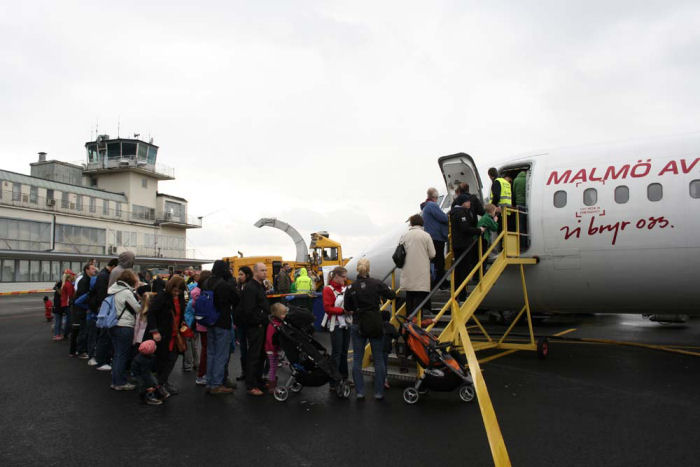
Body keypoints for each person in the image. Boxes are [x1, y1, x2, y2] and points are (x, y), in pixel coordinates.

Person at [344, 258, 395, 400]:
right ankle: (379, 392)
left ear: (358, 270)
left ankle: (360, 392)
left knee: (357, 360)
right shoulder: (377, 283)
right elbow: (392, 295)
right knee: (379, 359)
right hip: (374, 323)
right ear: (368, 269)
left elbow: (347, 308)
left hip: (358, 323)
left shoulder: (351, 288)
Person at [147, 275, 187, 398]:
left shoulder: (179, 297)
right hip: (164, 334)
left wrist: (183, 323)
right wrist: (154, 331)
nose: (177, 293)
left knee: (172, 359)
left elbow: (181, 313)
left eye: (179, 290)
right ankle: (160, 384)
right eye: (175, 290)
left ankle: (162, 382)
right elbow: (151, 313)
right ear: (171, 287)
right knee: (163, 360)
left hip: (175, 333)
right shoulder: (162, 297)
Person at [204, 260, 239, 395]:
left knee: (211, 353)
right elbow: (236, 299)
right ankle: (216, 384)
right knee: (221, 354)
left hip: (209, 321)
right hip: (222, 322)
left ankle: (209, 382)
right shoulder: (224, 285)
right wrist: (231, 280)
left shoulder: (206, 282)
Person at [107, 270, 141, 391]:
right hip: (124, 325)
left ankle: (115, 380)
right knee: (122, 355)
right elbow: (138, 309)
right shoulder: (126, 292)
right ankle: (119, 382)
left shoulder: (113, 289)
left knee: (117, 354)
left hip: (113, 324)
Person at [240, 262, 270, 396]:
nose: (265, 272)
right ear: (256, 272)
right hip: (255, 327)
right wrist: (258, 322)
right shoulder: (251, 287)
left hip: (262, 325)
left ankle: (258, 380)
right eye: (262, 270)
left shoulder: (260, 286)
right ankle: (251, 385)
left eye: (265, 270)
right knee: (254, 355)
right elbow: (248, 310)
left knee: (261, 355)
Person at [449, 194, 486, 301]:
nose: (470, 203)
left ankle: (459, 294)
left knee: (460, 270)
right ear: (463, 203)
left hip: (459, 244)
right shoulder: (460, 213)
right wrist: (479, 230)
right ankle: (461, 295)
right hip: (463, 245)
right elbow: (465, 228)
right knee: (463, 270)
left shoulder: (456, 212)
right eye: (468, 201)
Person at [400, 214, 435, 318]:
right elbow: (432, 254)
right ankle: (417, 324)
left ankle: (408, 325)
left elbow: (399, 252)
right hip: (421, 273)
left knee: (409, 298)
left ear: (411, 223)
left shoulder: (404, 236)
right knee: (419, 299)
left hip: (408, 272)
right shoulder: (426, 235)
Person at [322, 266, 350, 389]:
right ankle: (334, 381)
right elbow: (327, 308)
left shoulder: (344, 288)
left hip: (346, 323)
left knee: (344, 352)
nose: (345, 279)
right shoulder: (328, 289)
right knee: (337, 353)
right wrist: (344, 311)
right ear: (336, 276)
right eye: (343, 276)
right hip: (336, 324)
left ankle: (344, 378)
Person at [88, 258, 118, 369]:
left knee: (102, 335)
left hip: (101, 308)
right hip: (102, 309)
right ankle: (100, 361)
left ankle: (100, 359)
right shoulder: (104, 276)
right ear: (114, 266)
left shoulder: (103, 275)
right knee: (103, 335)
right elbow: (102, 295)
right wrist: (105, 309)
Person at [421, 187, 449, 288]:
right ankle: (441, 282)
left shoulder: (425, 207)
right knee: (440, 260)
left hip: (431, 237)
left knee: (434, 260)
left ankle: (436, 280)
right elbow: (444, 218)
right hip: (437, 237)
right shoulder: (432, 206)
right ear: (435, 197)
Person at [69, 263, 97, 358]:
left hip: (83, 309)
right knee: (83, 330)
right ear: (87, 270)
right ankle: (81, 351)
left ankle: (81, 349)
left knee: (84, 330)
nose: (95, 270)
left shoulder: (88, 280)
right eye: (92, 269)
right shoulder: (84, 281)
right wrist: (88, 307)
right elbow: (81, 297)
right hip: (82, 310)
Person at [189, 270, 212, 386]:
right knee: (206, 350)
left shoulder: (196, 292)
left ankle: (204, 374)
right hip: (205, 324)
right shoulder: (200, 292)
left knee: (205, 349)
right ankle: (202, 374)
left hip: (201, 323)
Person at [264, 303, 288, 394]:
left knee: (273, 366)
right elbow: (270, 340)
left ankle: (271, 380)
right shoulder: (273, 326)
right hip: (271, 350)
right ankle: (272, 386)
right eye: (283, 314)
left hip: (273, 349)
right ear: (277, 315)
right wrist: (275, 350)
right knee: (273, 367)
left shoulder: (277, 323)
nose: (285, 316)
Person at [234, 266, 253, 382]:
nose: (239, 276)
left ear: (247, 275)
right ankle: (244, 371)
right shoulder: (238, 286)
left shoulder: (251, 287)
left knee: (251, 347)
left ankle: (251, 371)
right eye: (239, 274)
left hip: (249, 322)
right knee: (243, 348)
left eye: (241, 274)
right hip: (240, 322)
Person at [131, 340, 162, 406]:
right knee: (147, 385)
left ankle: (153, 394)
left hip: (139, 373)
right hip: (141, 374)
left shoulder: (144, 356)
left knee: (152, 381)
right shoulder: (145, 361)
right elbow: (145, 373)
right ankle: (149, 398)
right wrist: (149, 383)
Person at [53, 270, 75, 341]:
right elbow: (70, 295)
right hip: (64, 304)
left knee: (61, 320)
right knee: (66, 320)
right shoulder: (67, 284)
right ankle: (62, 334)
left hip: (61, 304)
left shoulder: (63, 283)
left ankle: (60, 333)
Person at [512, 170, 528, 249]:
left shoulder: (516, 180)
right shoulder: (527, 179)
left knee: (520, 225)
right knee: (527, 225)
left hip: (519, 204)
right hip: (527, 204)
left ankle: (522, 245)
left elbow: (514, 193)